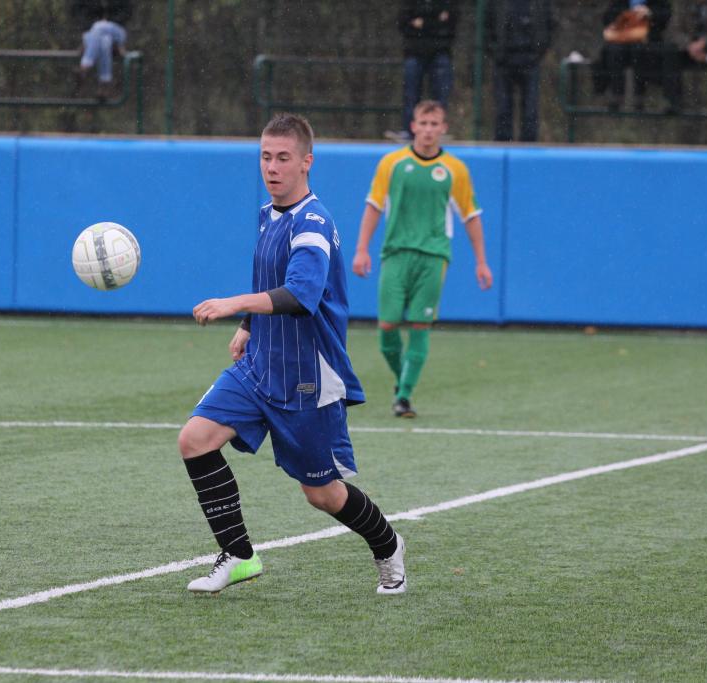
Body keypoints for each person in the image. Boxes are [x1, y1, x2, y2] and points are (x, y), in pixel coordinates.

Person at [179, 113, 408, 596]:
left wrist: (234, 304)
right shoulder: (269, 214)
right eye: (266, 157)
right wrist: (249, 326)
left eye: (283, 158)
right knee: (195, 440)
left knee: (322, 494)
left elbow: (301, 294)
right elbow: (271, 279)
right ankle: (239, 555)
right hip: (260, 365)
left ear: (307, 162)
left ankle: (388, 544)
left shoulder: (313, 224)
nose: (272, 167)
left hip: (308, 378)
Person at [353, 100, 492, 419]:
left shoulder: (455, 170)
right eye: (423, 123)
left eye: (434, 124)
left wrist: (481, 261)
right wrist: (361, 249)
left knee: (420, 324)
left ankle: (403, 396)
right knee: (387, 326)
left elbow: (471, 215)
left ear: (443, 129)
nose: (428, 130)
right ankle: (402, 377)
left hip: (434, 256)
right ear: (413, 126)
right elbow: (374, 205)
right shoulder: (392, 163)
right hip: (395, 254)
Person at [387, 0, 458, 141]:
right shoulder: (410, 5)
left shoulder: (448, 4)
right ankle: (409, 131)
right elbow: (403, 23)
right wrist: (435, 23)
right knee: (411, 95)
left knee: (440, 95)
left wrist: (423, 24)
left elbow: (452, 23)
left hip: (440, 51)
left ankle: (438, 132)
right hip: (414, 52)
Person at [486, 0, 555, 142]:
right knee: (503, 109)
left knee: (531, 110)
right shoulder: (496, 3)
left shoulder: (540, 3)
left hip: (530, 60)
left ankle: (529, 148)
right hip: (504, 60)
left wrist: (538, 52)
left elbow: (550, 24)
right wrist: (496, 52)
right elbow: (487, 25)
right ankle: (502, 146)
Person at [593, 0, 672, 111]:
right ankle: (616, 95)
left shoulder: (658, 3)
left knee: (639, 51)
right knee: (614, 52)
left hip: (648, 41)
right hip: (622, 40)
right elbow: (608, 17)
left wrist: (650, 13)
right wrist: (625, 16)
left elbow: (664, 17)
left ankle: (640, 97)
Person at [75, 4, 128, 101]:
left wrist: (108, 20)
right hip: (96, 34)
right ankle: (104, 85)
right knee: (105, 42)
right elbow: (80, 14)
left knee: (98, 27)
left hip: (117, 32)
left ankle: (85, 66)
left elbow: (125, 14)